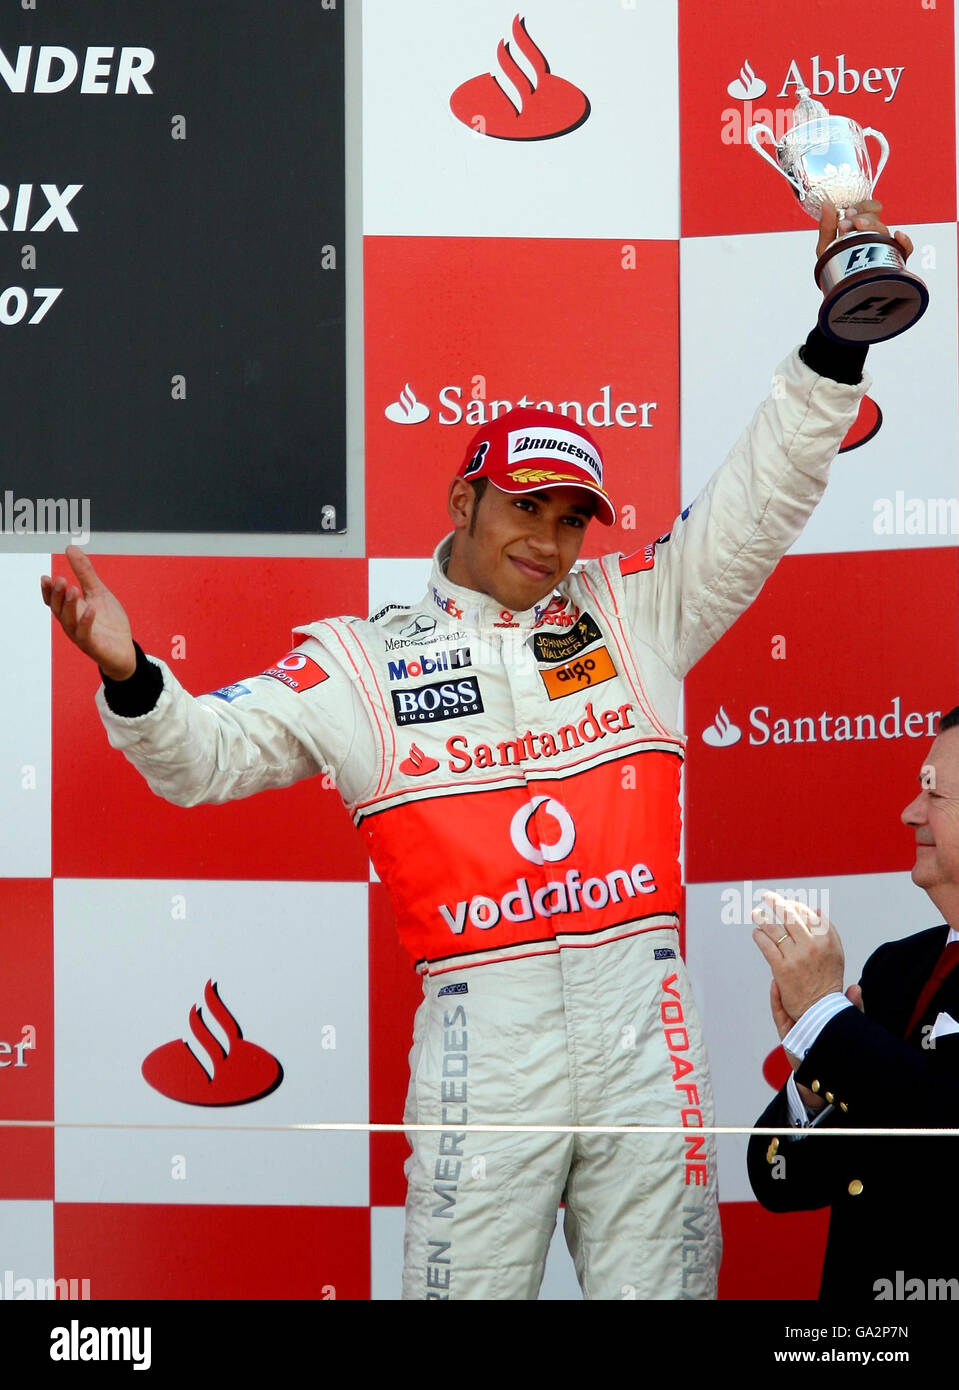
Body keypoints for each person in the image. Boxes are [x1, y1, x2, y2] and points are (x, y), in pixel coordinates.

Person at [43, 202, 908, 1301]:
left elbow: (756, 500)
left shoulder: (635, 614)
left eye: (570, 521)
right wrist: (130, 673)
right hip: (478, 1046)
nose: (548, 544)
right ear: (461, 498)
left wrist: (841, 339)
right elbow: (203, 757)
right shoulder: (360, 665)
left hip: (644, 1032)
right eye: (523, 510)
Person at [748, 710, 959, 1301]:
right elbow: (778, 1180)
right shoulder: (896, 967)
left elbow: (938, 1133)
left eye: (932, 794)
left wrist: (823, 1017)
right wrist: (814, 1081)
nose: (909, 813)